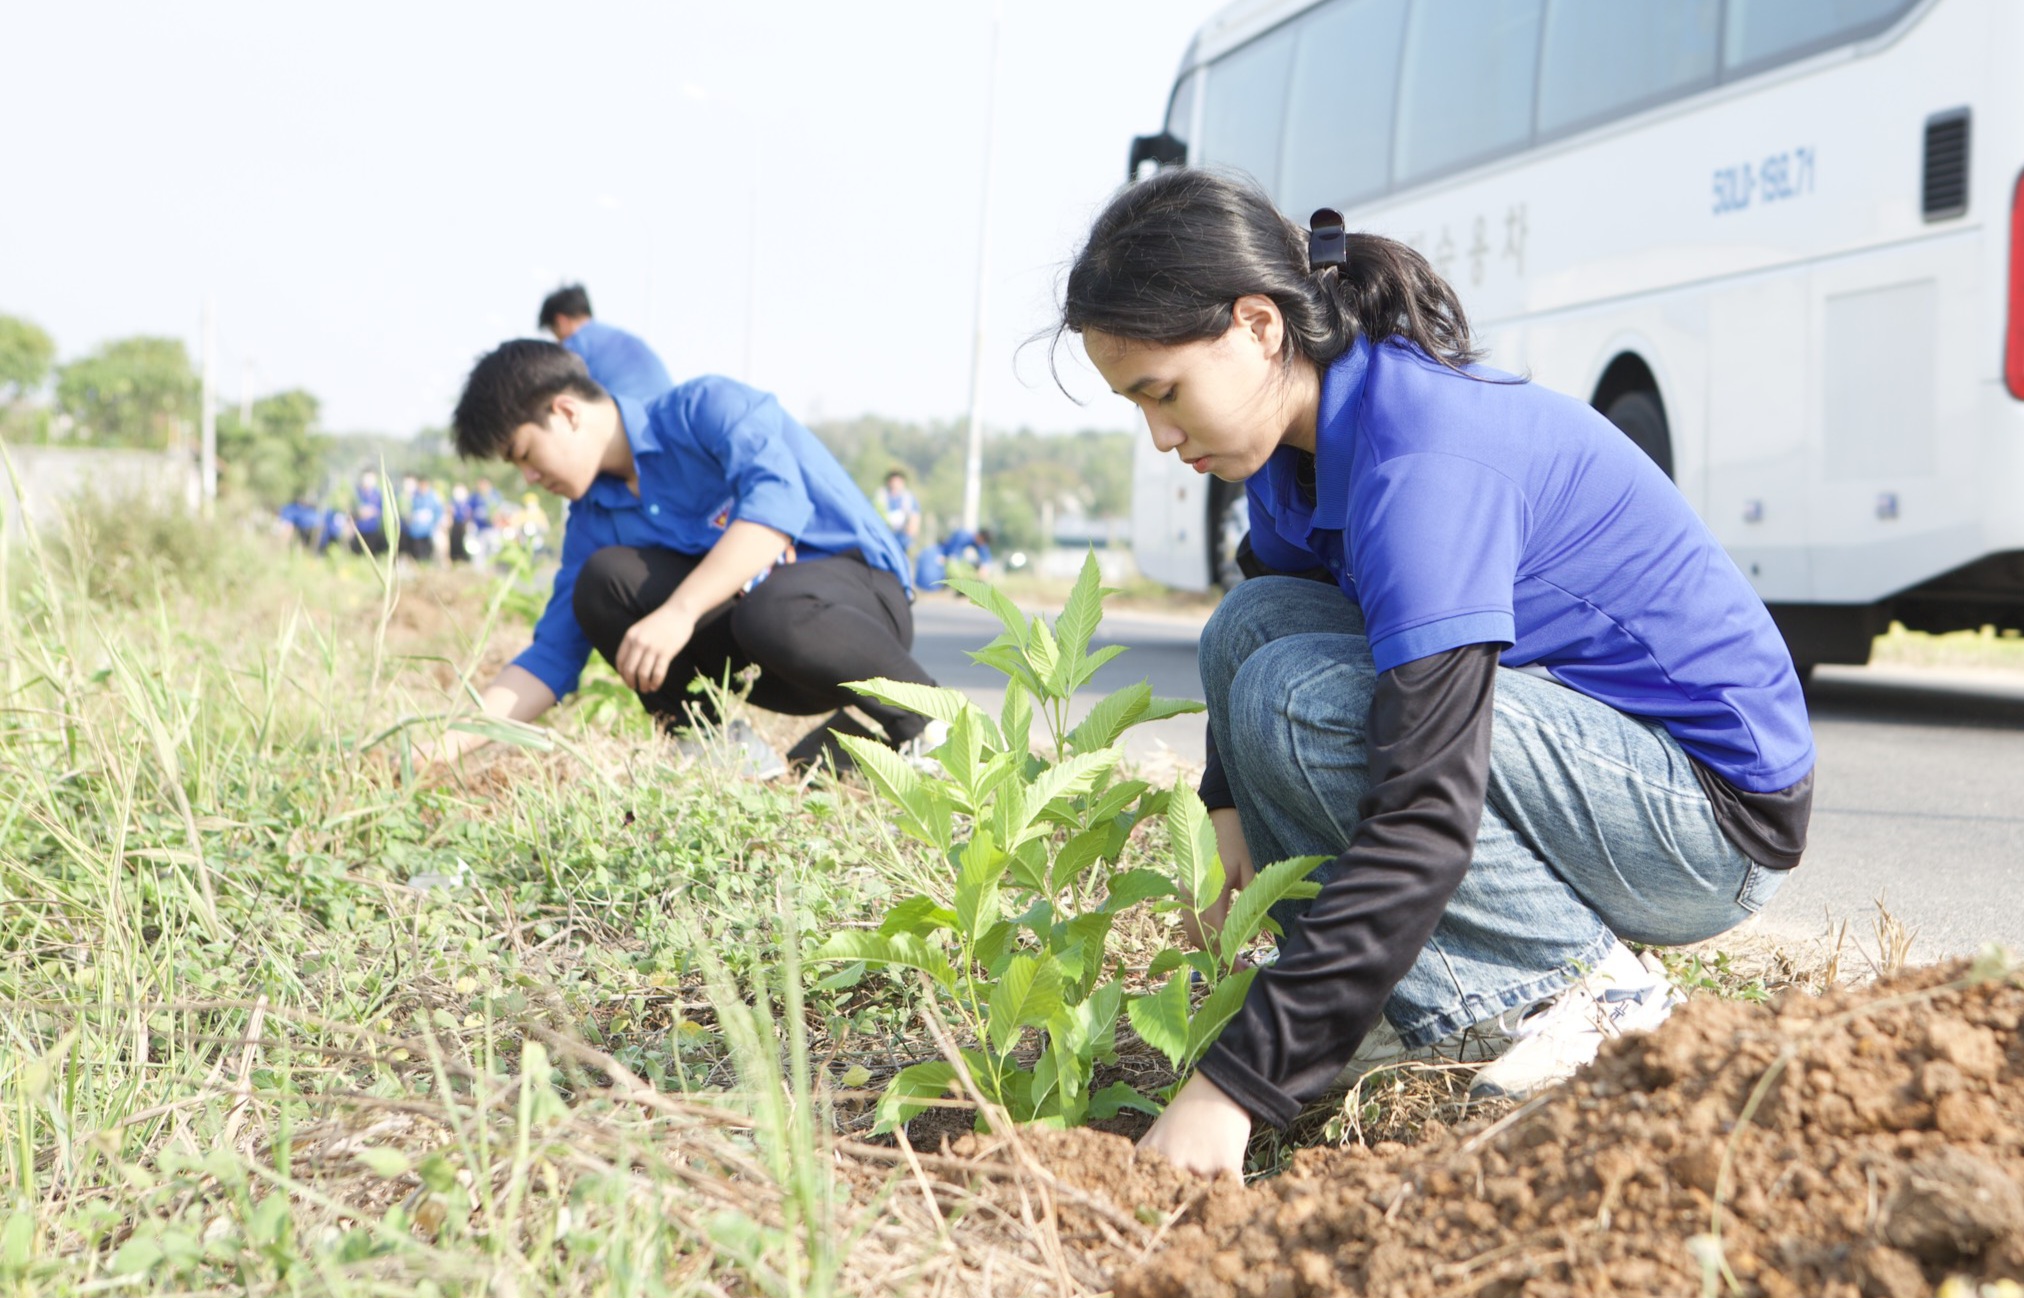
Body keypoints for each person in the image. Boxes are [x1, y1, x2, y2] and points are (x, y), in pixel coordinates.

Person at [1060, 171, 1814, 1178]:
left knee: (1300, 704)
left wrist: (1231, 1086)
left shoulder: (1419, 465)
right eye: (1134, 404)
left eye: (1162, 390)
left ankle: (1585, 996)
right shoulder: (1298, 452)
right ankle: (1399, 1000)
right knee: (1250, 628)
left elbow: (1426, 808)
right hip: (1585, 757)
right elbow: (1264, 612)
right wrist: (1223, 806)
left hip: (1708, 815)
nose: (1158, 434)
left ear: (1256, 325)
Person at [432, 340, 943, 777]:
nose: (529, 478)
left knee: (771, 606)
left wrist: (679, 612)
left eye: (524, 454)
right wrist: (434, 752)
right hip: (763, 655)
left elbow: (778, 506)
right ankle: (723, 758)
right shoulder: (593, 517)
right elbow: (550, 658)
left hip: (859, 617)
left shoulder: (707, 409)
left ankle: (932, 728)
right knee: (604, 581)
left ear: (565, 412)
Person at [538, 284, 675, 403]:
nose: (558, 342)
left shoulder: (577, 343)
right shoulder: (617, 336)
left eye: (554, 332)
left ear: (561, 321)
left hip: (629, 422)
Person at [913, 526, 993, 593]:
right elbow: (953, 558)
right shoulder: (963, 536)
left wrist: (984, 569)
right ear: (979, 536)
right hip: (943, 556)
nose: (981, 544)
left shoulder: (980, 545)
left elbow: (985, 558)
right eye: (982, 541)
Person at [874, 469, 922, 551]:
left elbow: (915, 520)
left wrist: (910, 533)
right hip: (882, 538)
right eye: (893, 481)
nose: (895, 484)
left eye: (898, 482)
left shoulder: (909, 499)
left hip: (901, 540)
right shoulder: (880, 497)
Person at [402, 477, 445, 562]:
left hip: (428, 531)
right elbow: (407, 512)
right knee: (417, 554)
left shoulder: (433, 497)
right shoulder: (413, 497)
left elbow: (438, 512)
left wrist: (435, 523)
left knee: (427, 554)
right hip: (415, 532)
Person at [350, 470, 389, 556]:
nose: (368, 481)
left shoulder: (380, 494)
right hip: (359, 531)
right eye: (366, 478)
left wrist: (373, 511)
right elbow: (350, 510)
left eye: (370, 478)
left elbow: (385, 512)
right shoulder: (357, 494)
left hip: (374, 532)